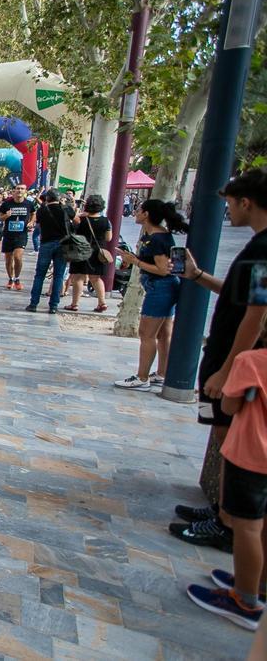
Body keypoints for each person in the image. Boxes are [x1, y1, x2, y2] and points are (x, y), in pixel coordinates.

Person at [171, 169, 267, 550]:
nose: (229, 210)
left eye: (229, 202)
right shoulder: (258, 246)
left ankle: (229, 523)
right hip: (230, 354)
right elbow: (241, 296)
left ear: (245, 202)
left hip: (234, 359)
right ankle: (224, 513)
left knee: (231, 440)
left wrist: (229, 369)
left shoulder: (263, 250)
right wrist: (199, 277)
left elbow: (255, 313)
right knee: (225, 437)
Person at [185, 330, 267, 631]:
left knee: (247, 526)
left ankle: (244, 600)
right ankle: (258, 583)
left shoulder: (250, 361)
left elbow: (230, 406)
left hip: (251, 455)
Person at [110, 199, 188, 391]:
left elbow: (162, 270)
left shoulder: (157, 239)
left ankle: (142, 376)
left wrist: (135, 261)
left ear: (146, 214)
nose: (135, 212)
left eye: (138, 210)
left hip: (160, 287)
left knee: (147, 333)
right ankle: (161, 373)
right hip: (161, 287)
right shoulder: (155, 235)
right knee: (162, 333)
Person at [25, 189, 75, 313]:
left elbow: (39, 223)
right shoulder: (65, 209)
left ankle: (33, 303)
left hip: (46, 243)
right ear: (59, 198)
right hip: (62, 244)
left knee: (40, 275)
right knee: (58, 276)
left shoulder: (42, 210)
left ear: (47, 199)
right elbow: (76, 219)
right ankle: (53, 306)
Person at [66, 195, 112, 312]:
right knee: (96, 278)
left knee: (78, 277)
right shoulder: (106, 221)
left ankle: (74, 304)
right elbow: (108, 238)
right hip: (98, 252)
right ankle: (102, 302)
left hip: (81, 250)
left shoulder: (81, 220)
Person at [0, 184, 36, 290]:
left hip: (21, 235)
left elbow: (33, 213)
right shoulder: (7, 204)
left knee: (18, 257)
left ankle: (17, 278)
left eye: (22, 189)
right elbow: (0, 218)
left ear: (25, 191)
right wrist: (6, 216)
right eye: (17, 189)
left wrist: (31, 222)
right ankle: (11, 278)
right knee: (8, 259)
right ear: (14, 191)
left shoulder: (29, 203)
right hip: (8, 235)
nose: (19, 190)